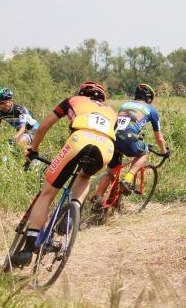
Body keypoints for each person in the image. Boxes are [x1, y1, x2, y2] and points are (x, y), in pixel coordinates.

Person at [10, 82, 117, 266]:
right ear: (102, 99)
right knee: (84, 176)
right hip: (107, 148)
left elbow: (42, 127)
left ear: (82, 93)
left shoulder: (73, 101)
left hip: (79, 139)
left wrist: (33, 150)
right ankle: (73, 210)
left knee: (48, 193)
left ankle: (27, 250)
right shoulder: (112, 112)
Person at [91, 83, 169, 202]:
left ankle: (98, 196)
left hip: (112, 137)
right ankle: (127, 180)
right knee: (143, 152)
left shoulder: (125, 104)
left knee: (111, 170)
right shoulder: (151, 110)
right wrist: (164, 152)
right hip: (128, 137)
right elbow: (159, 138)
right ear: (149, 99)